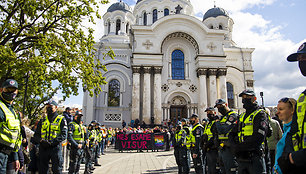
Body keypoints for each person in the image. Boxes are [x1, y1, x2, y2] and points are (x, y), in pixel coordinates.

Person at [276, 42, 306, 173]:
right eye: (299, 60)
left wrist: (295, 157)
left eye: (304, 58)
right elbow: (294, 131)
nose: (301, 63)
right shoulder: (303, 97)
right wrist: (287, 156)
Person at [229, 89, 268, 174]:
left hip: (254, 156)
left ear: (254, 98)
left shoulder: (260, 114)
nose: (244, 99)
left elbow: (258, 137)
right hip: (241, 157)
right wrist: (233, 146)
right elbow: (232, 133)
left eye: (247, 97)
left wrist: (239, 147)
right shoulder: (242, 116)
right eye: (243, 97)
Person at [33, 100, 68, 174]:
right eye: (47, 106)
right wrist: (41, 141)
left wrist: (52, 143)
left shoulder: (61, 119)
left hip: (55, 147)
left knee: (57, 169)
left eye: (50, 106)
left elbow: (64, 135)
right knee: (42, 170)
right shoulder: (42, 120)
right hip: (43, 147)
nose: (48, 108)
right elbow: (36, 135)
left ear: (55, 107)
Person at [0, 79, 22, 173]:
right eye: (7, 89)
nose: (11, 92)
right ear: (1, 90)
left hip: (8, 154)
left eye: (13, 90)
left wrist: (16, 157)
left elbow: (16, 136)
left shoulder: (13, 111)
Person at [272, 97, 296, 174]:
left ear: (292, 110)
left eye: (281, 109)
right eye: (277, 109)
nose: (277, 112)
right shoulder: (286, 130)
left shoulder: (294, 130)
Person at [214, 99, 238, 174]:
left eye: (221, 106)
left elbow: (223, 130)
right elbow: (216, 131)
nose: (219, 108)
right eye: (218, 107)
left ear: (226, 105)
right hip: (222, 146)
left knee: (231, 170)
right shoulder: (224, 117)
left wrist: (217, 122)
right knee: (223, 169)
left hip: (230, 147)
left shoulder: (232, 115)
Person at [203, 107, 219, 174]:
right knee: (209, 168)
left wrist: (207, 145)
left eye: (210, 112)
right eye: (207, 113)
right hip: (208, 149)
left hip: (214, 148)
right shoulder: (208, 124)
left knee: (214, 168)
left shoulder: (216, 123)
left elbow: (215, 136)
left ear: (214, 113)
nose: (208, 114)